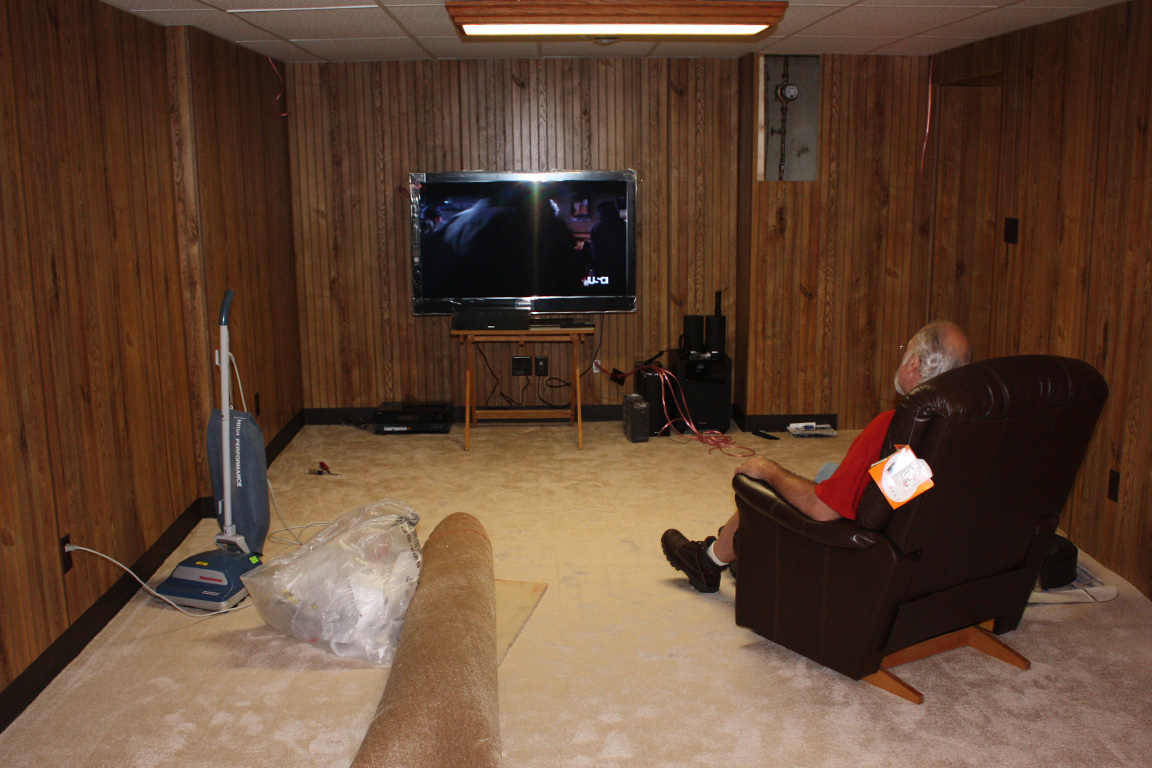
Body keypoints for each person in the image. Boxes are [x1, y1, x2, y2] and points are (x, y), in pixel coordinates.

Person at [661, 320, 972, 593]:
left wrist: (768, 470)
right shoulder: (957, 428)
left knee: (761, 485)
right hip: (916, 542)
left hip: (858, 549)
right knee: (828, 471)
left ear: (914, 363)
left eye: (906, 352)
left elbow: (824, 511)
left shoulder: (891, 428)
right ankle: (745, 547)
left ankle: (708, 561)